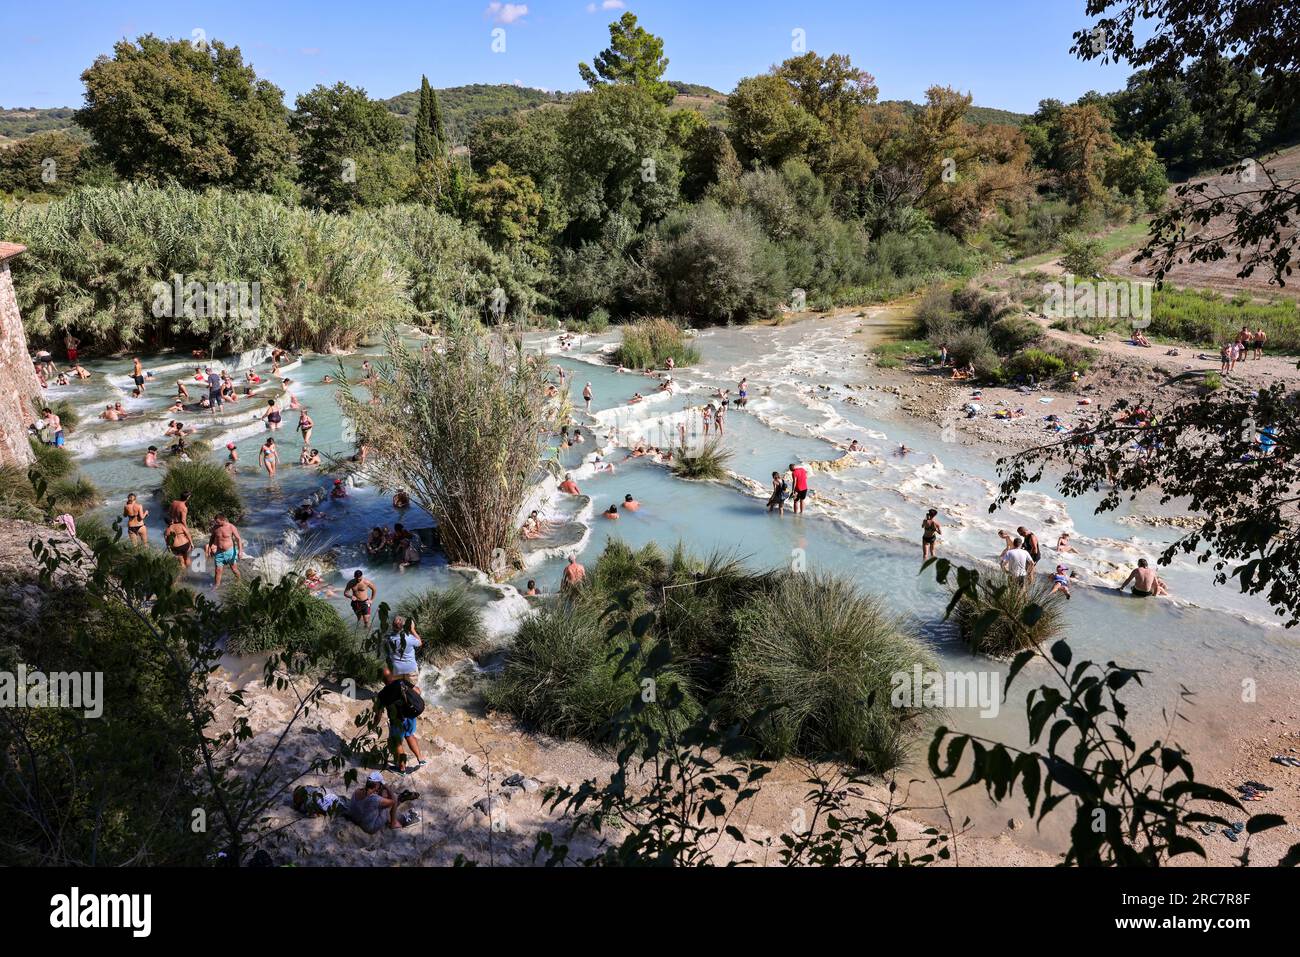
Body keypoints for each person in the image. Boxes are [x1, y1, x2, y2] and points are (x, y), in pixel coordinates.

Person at [375, 668, 426, 774]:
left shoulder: (382, 695)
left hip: (397, 720)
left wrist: (374, 725)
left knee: (397, 743)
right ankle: (421, 759)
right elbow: (417, 691)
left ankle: (401, 769)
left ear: (382, 680)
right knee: (410, 735)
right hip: (410, 715)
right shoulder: (401, 682)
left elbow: (378, 714)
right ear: (391, 676)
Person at [385, 617, 423, 682]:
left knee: (400, 688)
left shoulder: (388, 639)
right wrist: (412, 629)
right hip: (410, 670)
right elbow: (420, 643)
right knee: (413, 688)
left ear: (392, 626)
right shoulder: (409, 638)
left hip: (396, 670)